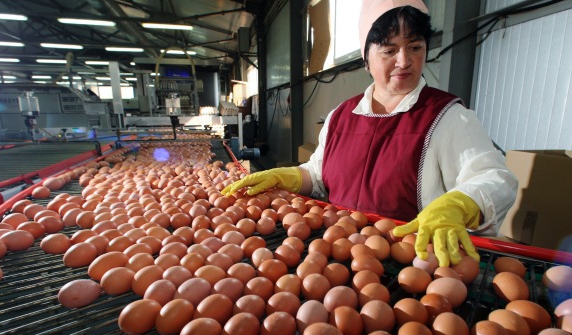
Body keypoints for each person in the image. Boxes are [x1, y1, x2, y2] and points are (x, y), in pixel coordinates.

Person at [222, 0, 518, 267]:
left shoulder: (448, 116)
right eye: (389, 50)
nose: (404, 61)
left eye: (415, 47)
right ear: (366, 57)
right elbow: (320, 172)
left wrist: (460, 203)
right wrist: (290, 176)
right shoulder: (341, 116)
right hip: (333, 258)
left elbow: (495, 178)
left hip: (411, 268)